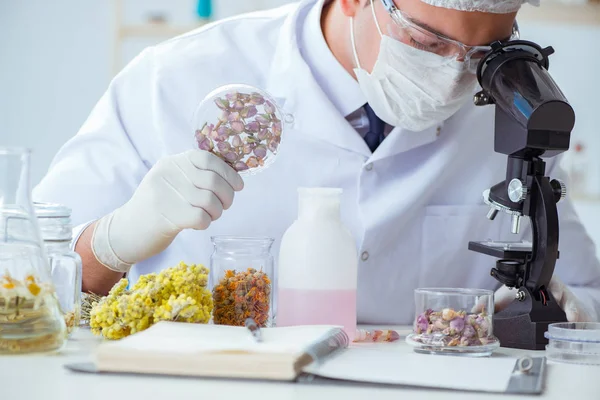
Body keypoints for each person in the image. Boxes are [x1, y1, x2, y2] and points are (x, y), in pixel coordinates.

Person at [33, 0, 600, 324]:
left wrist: (549, 310)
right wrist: (110, 242)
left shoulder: (507, 115)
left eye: (480, 53)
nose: (454, 74)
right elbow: (27, 289)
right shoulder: (174, 79)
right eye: (427, 42)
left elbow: (583, 291)